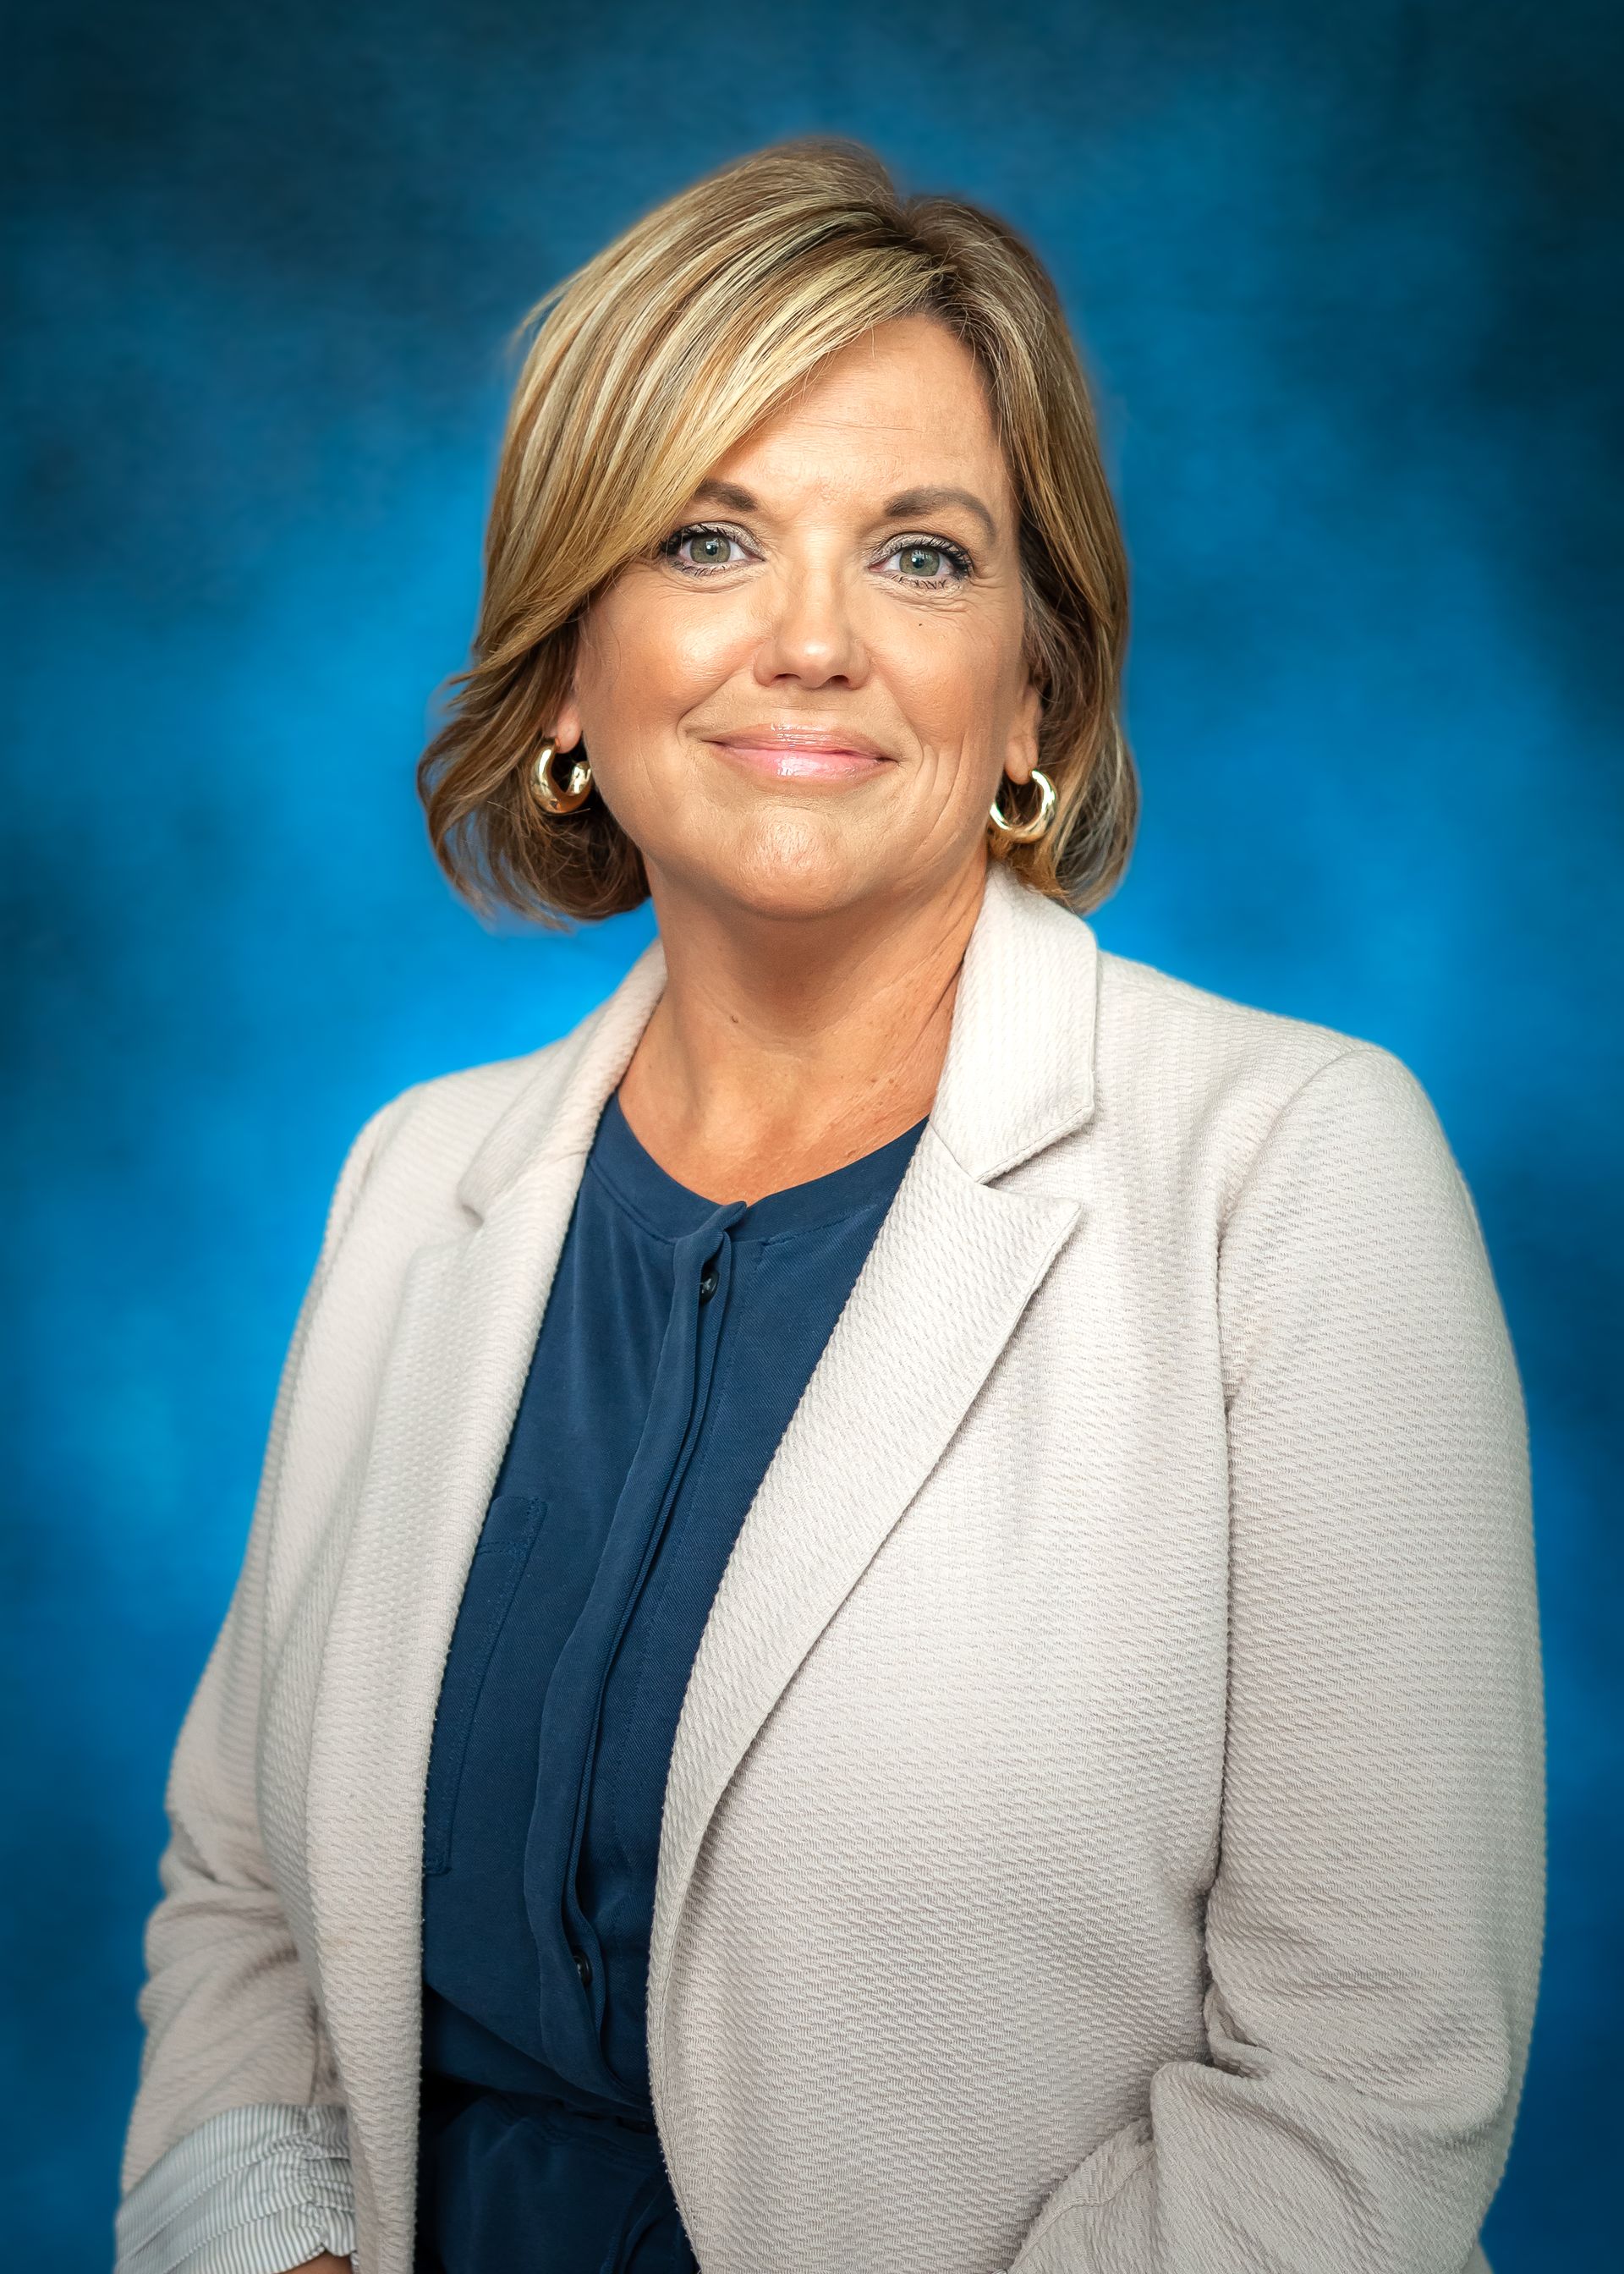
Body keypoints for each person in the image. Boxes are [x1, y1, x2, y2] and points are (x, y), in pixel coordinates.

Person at [113, 138, 1544, 2274]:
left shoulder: (1296, 1177)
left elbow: (1360, 2103)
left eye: (922, 558)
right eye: (707, 538)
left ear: (1035, 693)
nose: (810, 642)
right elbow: (238, 1895)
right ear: (572, 675)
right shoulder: (419, 1184)